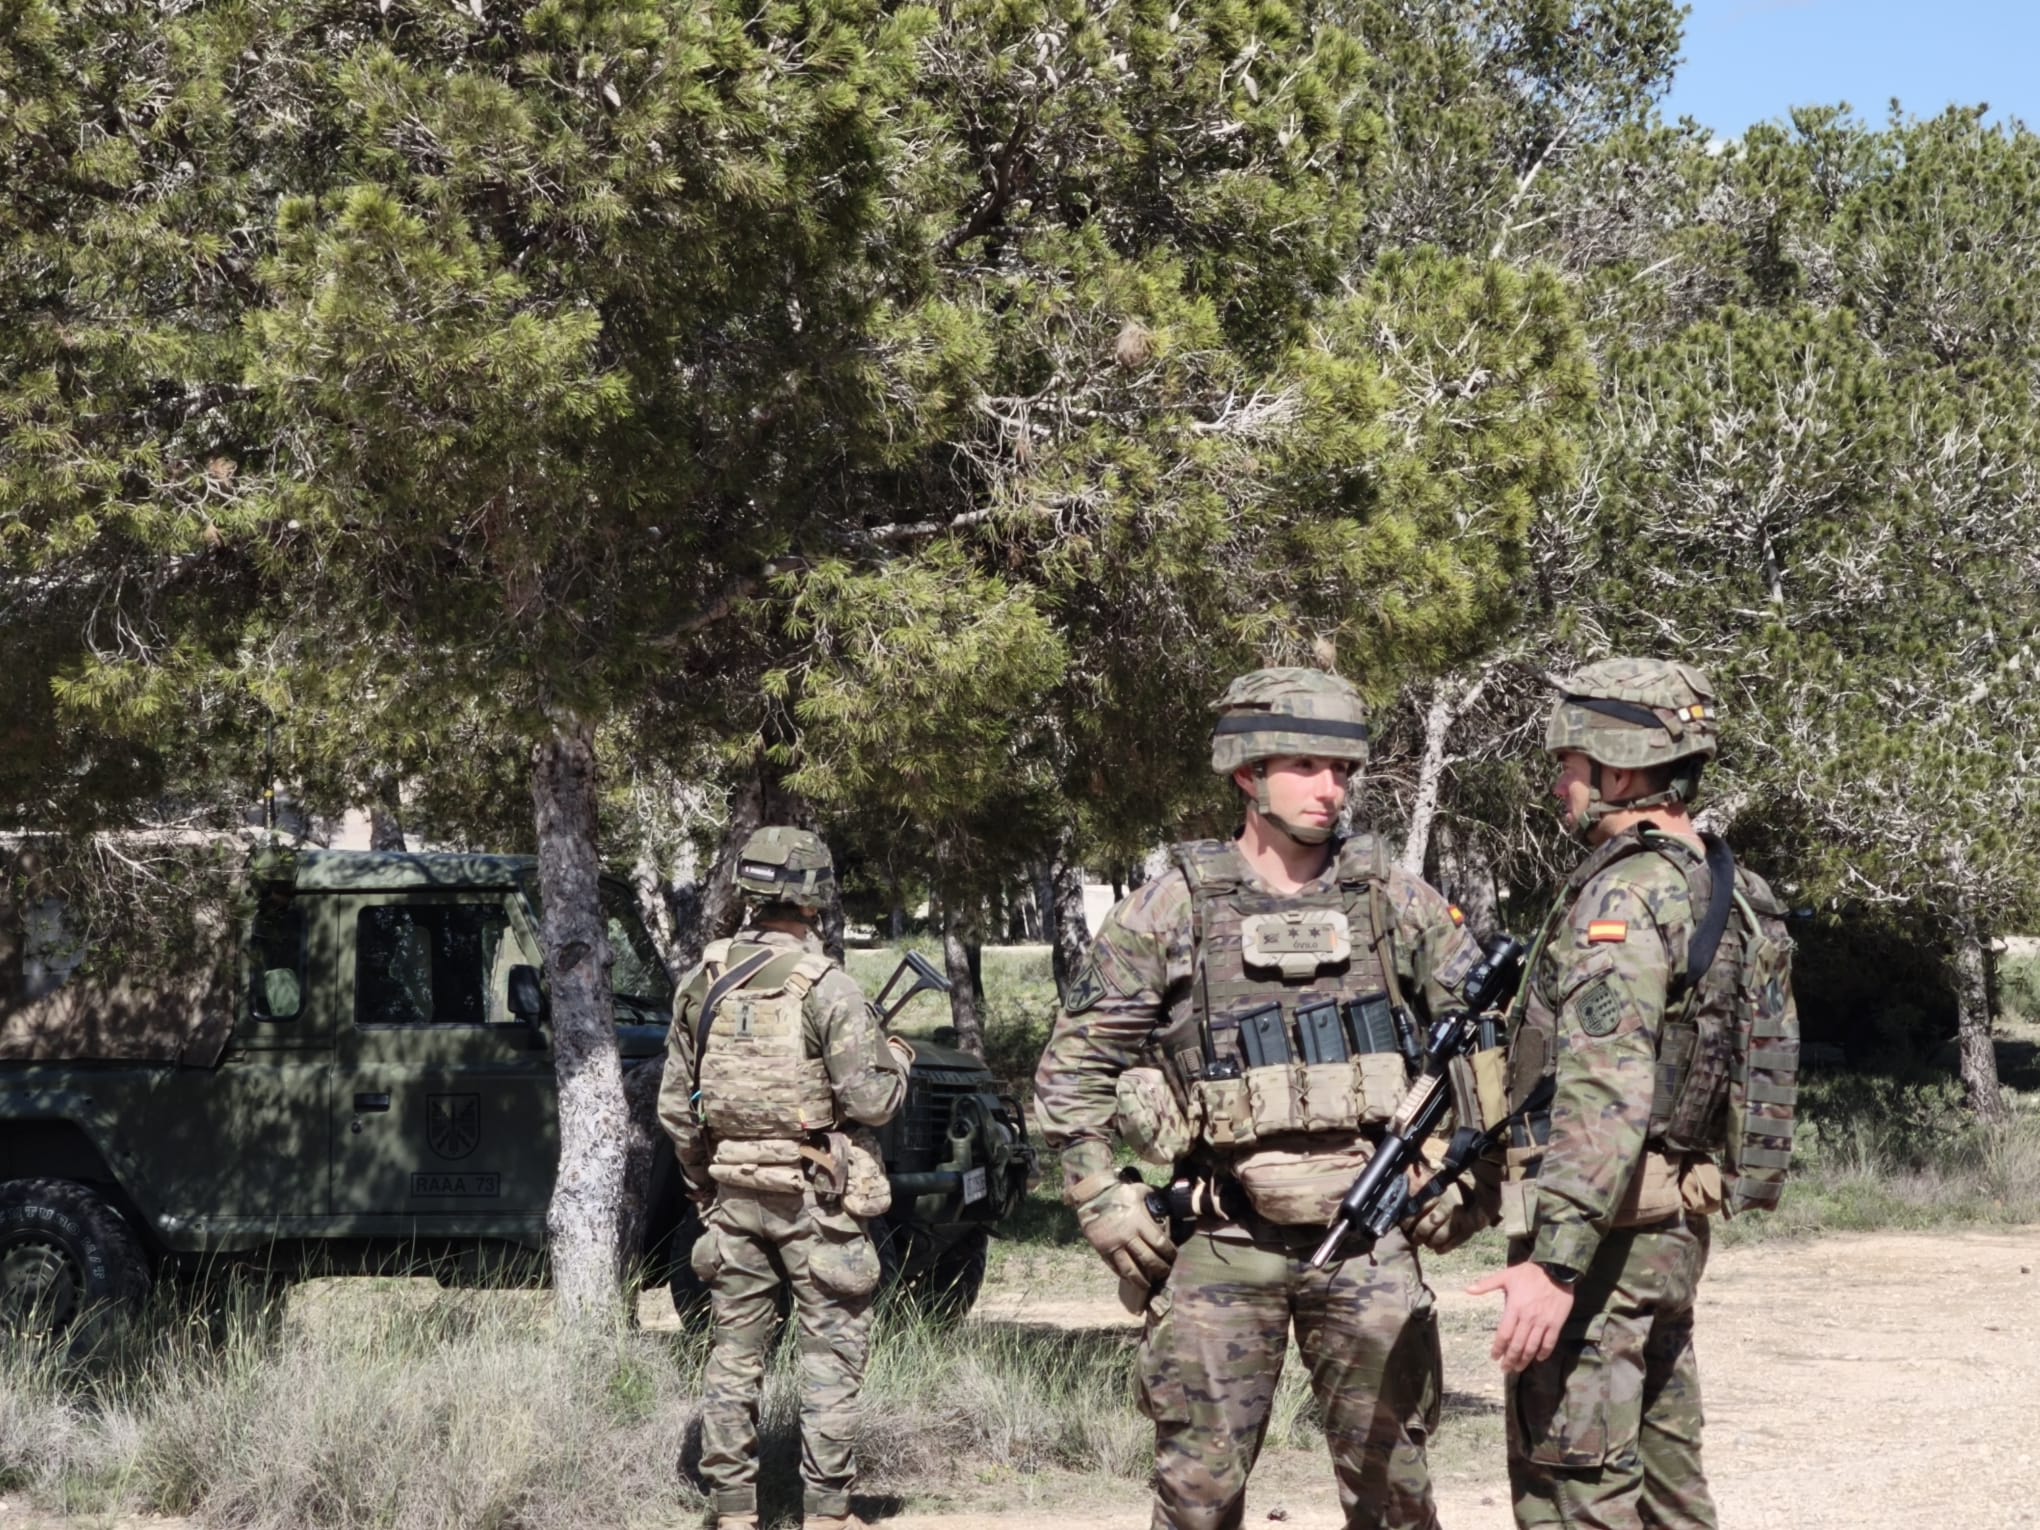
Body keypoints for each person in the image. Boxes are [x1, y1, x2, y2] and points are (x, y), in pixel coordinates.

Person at [1033, 667, 1489, 1530]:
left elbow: (1491, 1044)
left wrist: (1466, 1176)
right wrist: (1098, 1192)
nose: (1331, 788)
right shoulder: (1171, 908)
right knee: (1197, 1497)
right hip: (1223, 1243)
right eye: (1306, 767)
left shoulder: (1391, 899)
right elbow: (1073, 1068)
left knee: (1396, 1492)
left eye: (1343, 770)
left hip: (1368, 1245)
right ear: (1247, 773)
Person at [1469, 658, 1799, 1530]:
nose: (1559, 787)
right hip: (1673, 1227)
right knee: (1667, 1490)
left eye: (1570, 767)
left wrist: (1555, 1264)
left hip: (1607, 1240)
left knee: (1574, 1490)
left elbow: (1605, 1093)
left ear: (1619, 774)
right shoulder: (1729, 884)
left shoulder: (1625, 891)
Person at [657, 826, 912, 1530]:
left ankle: (733, 1511)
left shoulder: (701, 982)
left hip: (733, 1197)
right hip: (816, 1201)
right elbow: (872, 1102)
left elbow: (677, 1109)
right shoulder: (827, 987)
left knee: (733, 1357)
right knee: (830, 1359)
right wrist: (898, 1059)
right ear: (814, 897)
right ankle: (827, 1512)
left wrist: (705, 1185)